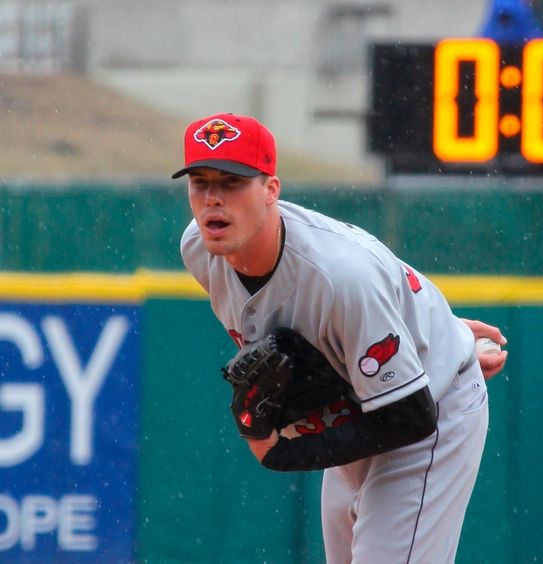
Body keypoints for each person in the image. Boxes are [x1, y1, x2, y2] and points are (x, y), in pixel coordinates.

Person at [173, 112, 507, 563]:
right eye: (200, 181)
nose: (212, 198)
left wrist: (281, 452)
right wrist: (418, 327)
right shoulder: (199, 247)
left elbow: (410, 416)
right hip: (358, 409)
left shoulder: (340, 276)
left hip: (430, 411)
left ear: (271, 190)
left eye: (232, 182)